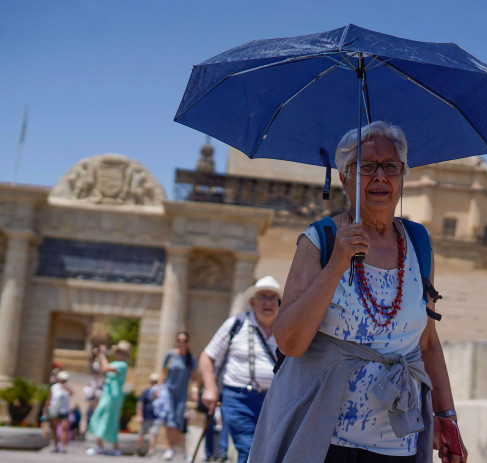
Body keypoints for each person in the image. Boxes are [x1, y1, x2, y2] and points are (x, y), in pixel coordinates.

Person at [249, 121, 467, 463]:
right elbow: (289, 342)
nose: (380, 176)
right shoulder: (319, 240)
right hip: (322, 439)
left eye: (391, 167)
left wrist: (447, 416)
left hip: (399, 440)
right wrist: (337, 262)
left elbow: (427, 342)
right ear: (344, 178)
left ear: (403, 177)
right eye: (366, 167)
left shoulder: (419, 243)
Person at [198, 276, 283, 463]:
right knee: (249, 446)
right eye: (263, 296)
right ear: (253, 302)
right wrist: (211, 388)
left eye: (273, 297)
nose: (268, 302)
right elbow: (207, 357)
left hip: (274, 400)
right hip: (238, 398)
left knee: (269, 450)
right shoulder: (235, 324)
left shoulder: (285, 330)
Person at [157, 332, 199, 461]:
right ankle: (169, 448)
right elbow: (162, 372)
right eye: (179, 340)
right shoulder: (170, 354)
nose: (181, 342)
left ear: (187, 342)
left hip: (182, 394)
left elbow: (194, 377)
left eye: (184, 340)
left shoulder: (190, 358)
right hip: (169, 391)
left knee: (178, 420)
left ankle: (176, 447)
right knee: (170, 418)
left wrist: (195, 390)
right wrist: (158, 388)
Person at [86, 340, 130, 456]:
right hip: (108, 393)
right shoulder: (116, 363)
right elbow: (102, 369)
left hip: (114, 395)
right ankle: (104, 445)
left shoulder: (123, 365)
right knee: (102, 416)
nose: (119, 353)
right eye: (118, 351)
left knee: (107, 418)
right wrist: (99, 356)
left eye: (121, 352)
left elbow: (105, 368)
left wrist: (102, 355)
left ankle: (107, 446)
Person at [45, 370, 73, 453]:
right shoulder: (54, 387)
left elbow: (72, 393)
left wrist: (65, 387)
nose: (63, 382)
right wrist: (46, 410)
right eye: (62, 380)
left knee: (64, 428)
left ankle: (63, 446)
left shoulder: (68, 388)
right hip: (54, 409)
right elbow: (49, 399)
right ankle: (56, 445)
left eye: (64, 380)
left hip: (64, 410)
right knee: (54, 428)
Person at [136, 373, 160, 457]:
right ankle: (138, 450)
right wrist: (139, 415)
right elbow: (140, 404)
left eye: (156, 382)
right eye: (153, 381)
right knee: (141, 434)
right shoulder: (146, 392)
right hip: (146, 416)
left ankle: (152, 451)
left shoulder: (160, 393)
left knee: (154, 434)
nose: (154, 383)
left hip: (155, 417)